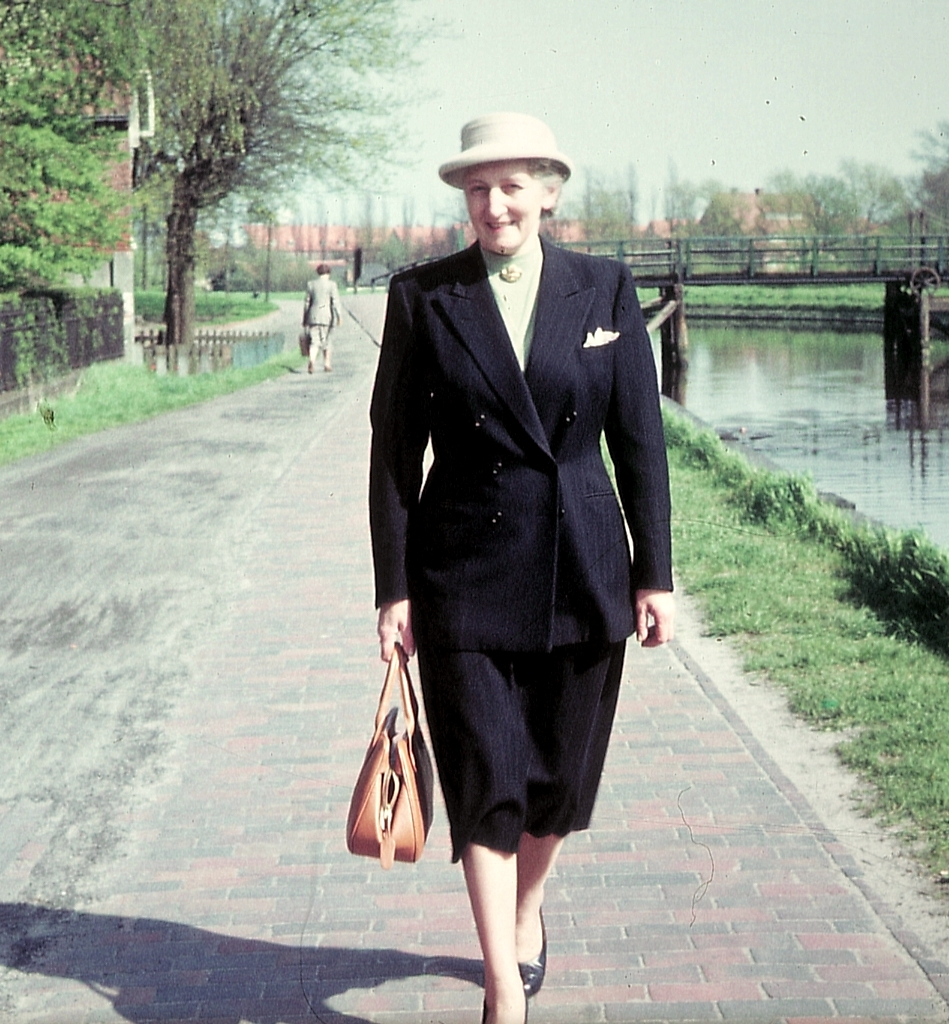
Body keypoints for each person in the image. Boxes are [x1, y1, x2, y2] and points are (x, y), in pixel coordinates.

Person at [368, 112, 675, 1024]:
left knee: (556, 788)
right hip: (463, 577)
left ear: (549, 192)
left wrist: (654, 575)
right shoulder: (424, 297)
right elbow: (393, 457)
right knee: (486, 779)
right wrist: (394, 589)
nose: (493, 205)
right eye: (477, 189)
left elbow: (642, 445)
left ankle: (530, 908)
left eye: (511, 186)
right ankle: (503, 979)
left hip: (584, 572)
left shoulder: (605, 290)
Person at [303, 262, 342, 373]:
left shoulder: (311, 284)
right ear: (328, 273)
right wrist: (339, 316)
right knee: (327, 341)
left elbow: (306, 303)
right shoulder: (332, 285)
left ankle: (312, 360)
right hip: (327, 317)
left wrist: (305, 319)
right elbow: (335, 302)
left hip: (313, 316)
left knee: (314, 341)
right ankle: (327, 364)